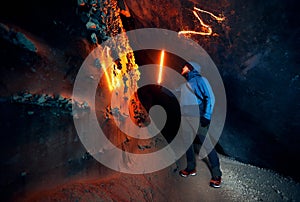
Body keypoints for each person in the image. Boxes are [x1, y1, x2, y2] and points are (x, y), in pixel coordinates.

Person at [178, 61, 222, 188]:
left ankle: (217, 175)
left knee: (205, 144)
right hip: (185, 117)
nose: (183, 67)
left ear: (191, 69)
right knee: (187, 143)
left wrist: (206, 116)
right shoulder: (185, 84)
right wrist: (162, 89)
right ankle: (191, 168)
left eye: (185, 66)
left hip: (197, 117)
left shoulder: (200, 80)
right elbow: (175, 92)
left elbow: (210, 97)